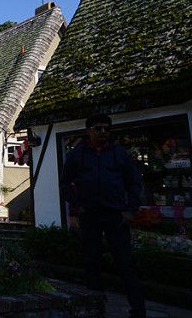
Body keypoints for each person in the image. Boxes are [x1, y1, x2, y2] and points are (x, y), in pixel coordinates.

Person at [60, 113, 145, 318]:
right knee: (91, 262)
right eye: (98, 128)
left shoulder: (119, 154)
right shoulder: (77, 155)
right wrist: (76, 206)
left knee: (125, 263)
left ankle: (138, 310)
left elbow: (134, 182)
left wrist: (131, 209)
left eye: (107, 128)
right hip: (89, 214)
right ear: (88, 131)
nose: (103, 132)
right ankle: (96, 308)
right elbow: (65, 183)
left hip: (116, 214)